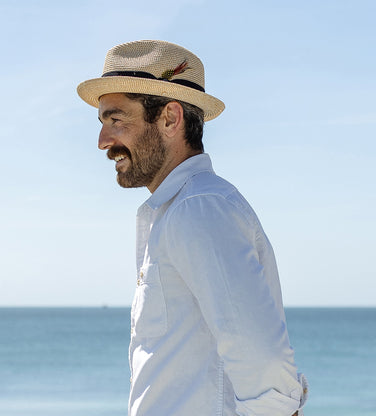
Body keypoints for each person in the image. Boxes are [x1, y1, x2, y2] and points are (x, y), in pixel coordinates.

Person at [77, 40, 308, 416]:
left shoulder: (198, 208)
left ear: (170, 118)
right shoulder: (180, 209)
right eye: (102, 122)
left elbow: (266, 374)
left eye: (116, 120)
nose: (103, 142)